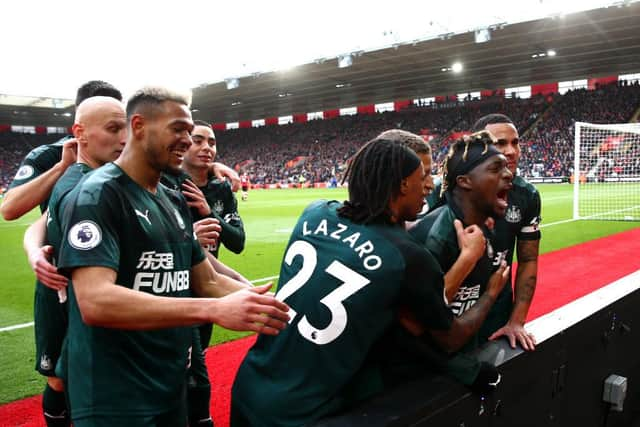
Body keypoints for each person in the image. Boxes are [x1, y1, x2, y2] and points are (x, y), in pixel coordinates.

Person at [231, 135, 508, 427]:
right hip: (303, 413)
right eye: (422, 177)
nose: (428, 186)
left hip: (250, 385)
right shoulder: (408, 256)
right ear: (402, 184)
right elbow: (449, 340)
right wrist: (491, 292)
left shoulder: (314, 212)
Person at [55, 86, 289, 427]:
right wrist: (214, 310)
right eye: (178, 129)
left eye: (190, 131)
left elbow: (206, 280)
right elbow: (95, 301)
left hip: (168, 383)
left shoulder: (172, 198)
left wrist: (282, 309)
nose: (188, 141)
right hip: (115, 396)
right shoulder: (97, 194)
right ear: (138, 126)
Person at [22, 96, 128, 427]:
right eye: (113, 128)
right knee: (61, 379)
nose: (123, 138)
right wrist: (34, 250)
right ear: (79, 132)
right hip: (63, 298)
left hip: (91, 295)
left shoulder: (107, 178)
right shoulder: (78, 183)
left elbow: (40, 223)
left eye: (125, 127)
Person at [161, 120, 246, 427]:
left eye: (211, 142)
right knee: (192, 380)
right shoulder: (166, 184)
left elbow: (237, 242)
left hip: (209, 287)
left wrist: (210, 213)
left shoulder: (221, 188)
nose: (206, 147)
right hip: (175, 294)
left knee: (194, 370)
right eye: (198, 140)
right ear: (183, 144)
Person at [410, 131, 513, 352]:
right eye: (496, 168)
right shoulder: (435, 238)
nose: (508, 174)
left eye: (506, 167)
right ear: (464, 181)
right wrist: (491, 293)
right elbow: (446, 340)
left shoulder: (482, 228)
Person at [1, 81, 122, 221]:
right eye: (113, 127)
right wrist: (61, 167)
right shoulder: (49, 155)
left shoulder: (128, 156)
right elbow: (9, 209)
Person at [471, 114, 541, 351]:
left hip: (495, 316)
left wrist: (517, 320)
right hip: (448, 314)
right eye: (500, 143)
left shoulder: (527, 196)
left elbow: (529, 259)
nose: (511, 151)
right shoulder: (446, 192)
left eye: (516, 142)